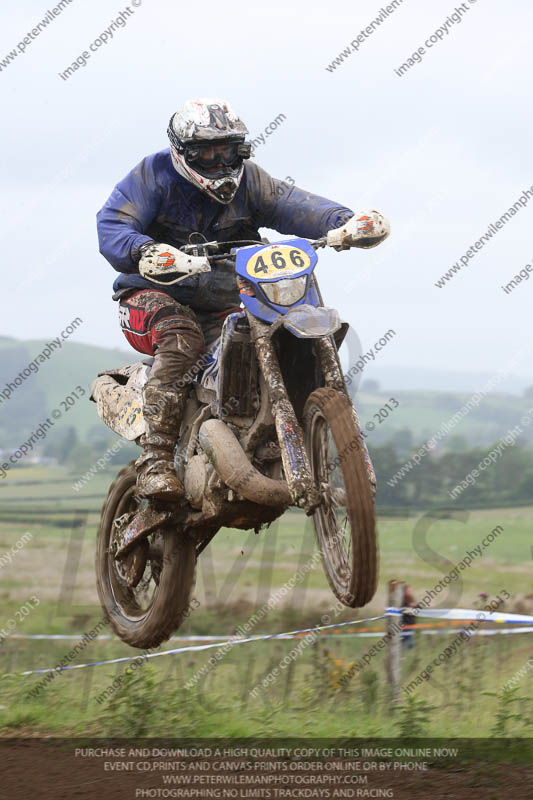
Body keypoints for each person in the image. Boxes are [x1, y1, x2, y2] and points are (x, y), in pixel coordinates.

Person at [96, 98, 390, 499]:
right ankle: (156, 460)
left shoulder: (251, 181)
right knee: (182, 341)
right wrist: (143, 250)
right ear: (182, 152)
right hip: (150, 296)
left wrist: (345, 222)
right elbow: (114, 223)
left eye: (228, 151)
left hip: (224, 300)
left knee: (267, 336)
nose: (219, 161)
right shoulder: (152, 175)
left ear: (242, 151)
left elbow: (295, 205)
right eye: (207, 152)